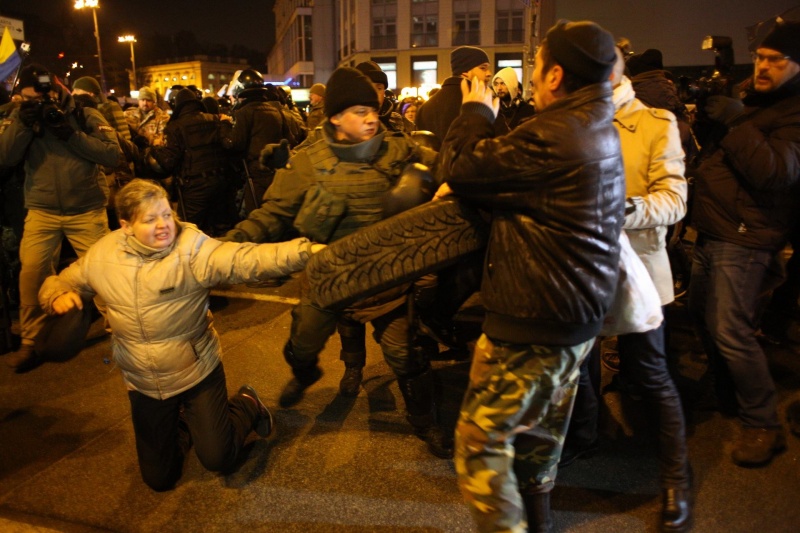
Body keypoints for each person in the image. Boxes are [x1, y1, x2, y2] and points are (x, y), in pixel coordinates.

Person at [436, 20, 624, 531]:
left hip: (536, 318)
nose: (530, 79)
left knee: (480, 446)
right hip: (571, 316)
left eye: (535, 69)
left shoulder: (555, 134)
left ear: (556, 75)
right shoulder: (594, 124)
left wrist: (475, 110)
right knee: (538, 439)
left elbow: (463, 166)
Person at [221, 67, 450, 458]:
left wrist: (448, 178)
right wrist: (225, 246)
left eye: (372, 109)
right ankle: (308, 372)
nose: (371, 118)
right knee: (301, 344)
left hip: (386, 280)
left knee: (405, 355)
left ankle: (425, 421)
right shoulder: (308, 163)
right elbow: (271, 215)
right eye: (359, 111)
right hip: (331, 279)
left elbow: (447, 168)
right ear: (335, 119)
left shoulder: (398, 149)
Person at [38, 178, 322, 491]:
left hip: (196, 369)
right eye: (149, 219)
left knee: (219, 459)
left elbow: (247, 259)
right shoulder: (102, 255)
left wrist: (307, 251)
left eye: (166, 214)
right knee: (160, 479)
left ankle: (246, 404)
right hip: (143, 381)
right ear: (126, 226)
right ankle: (190, 423)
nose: (163, 225)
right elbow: (60, 282)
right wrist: (57, 296)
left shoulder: (193, 250)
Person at [562, 47, 692, 532]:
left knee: (652, 374)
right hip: (581, 266)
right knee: (579, 364)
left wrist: (622, 210)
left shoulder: (656, 123)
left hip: (638, 265)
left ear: (616, 72)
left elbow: (674, 199)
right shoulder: (570, 120)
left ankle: (677, 477)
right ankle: (585, 436)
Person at [687, 19, 800, 467]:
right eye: (760, 57)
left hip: (746, 235)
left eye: (776, 59)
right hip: (716, 228)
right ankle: (727, 394)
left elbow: (776, 174)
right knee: (702, 316)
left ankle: (762, 423)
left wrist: (736, 124)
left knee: (732, 331)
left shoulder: (793, 111)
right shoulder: (756, 100)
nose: (764, 66)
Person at [0, 63, 121, 373]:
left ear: (54, 92)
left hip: (86, 209)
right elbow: (5, 158)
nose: (34, 105)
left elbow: (113, 155)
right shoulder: (20, 117)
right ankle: (31, 342)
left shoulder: (84, 114)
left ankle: (122, 335)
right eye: (26, 99)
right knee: (32, 273)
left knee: (104, 275)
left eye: (38, 98)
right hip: (42, 209)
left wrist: (72, 135)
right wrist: (23, 124)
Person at [149, 88, 236, 235]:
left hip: (194, 188)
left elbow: (168, 161)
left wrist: (155, 148)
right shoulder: (215, 119)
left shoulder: (175, 127)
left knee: (189, 232)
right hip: (222, 183)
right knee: (223, 228)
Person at [224, 69, 286, 214]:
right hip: (275, 170)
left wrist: (225, 129)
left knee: (256, 212)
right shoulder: (276, 111)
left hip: (255, 170)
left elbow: (236, 143)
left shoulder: (244, 112)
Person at [416, 45, 508, 142]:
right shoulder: (482, 103)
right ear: (465, 72)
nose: (489, 73)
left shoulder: (424, 108)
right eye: (483, 68)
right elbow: (503, 143)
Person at [355, 61, 404, 132]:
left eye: (379, 88)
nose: (374, 94)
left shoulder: (402, 125)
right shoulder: (347, 126)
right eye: (368, 88)